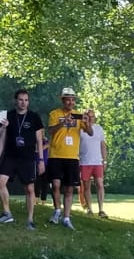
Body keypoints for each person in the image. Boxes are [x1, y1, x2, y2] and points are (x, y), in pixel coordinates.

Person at [47, 87, 94, 230]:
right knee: (55, 185)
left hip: (72, 157)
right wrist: (63, 122)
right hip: (56, 154)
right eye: (68, 99)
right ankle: (57, 210)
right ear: (63, 100)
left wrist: (88, 122)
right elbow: (50, 131)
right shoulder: (55, 114)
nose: (71, 102)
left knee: (69, 189)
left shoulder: (79, 115)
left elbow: (90, 133)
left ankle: (66, 218)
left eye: (73, 100)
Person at [0, 89, 45, 230]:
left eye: (26, 100)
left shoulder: (34, 117)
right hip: (10, 156)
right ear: (15, 101)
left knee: (29, 189)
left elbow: (39, 140)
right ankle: (7, 213)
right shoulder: (7, 115)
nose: (23, 102)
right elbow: (2, 137)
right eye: (20, 99)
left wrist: (41, 160)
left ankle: (30, 220)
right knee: (0, 182)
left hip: (28, 158)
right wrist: (3, 128)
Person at [79, 118, 107, 217]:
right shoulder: (80, 128)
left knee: (100, 184)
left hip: (97, 161)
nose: (90, 118)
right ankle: (89, 209)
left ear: (95, 117)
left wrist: (104, 160)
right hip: (84, 162)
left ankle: (101, 209)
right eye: (88, 116)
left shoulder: (99, 129)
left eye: (92, 116)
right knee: (86, 186)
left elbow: (103, 145)